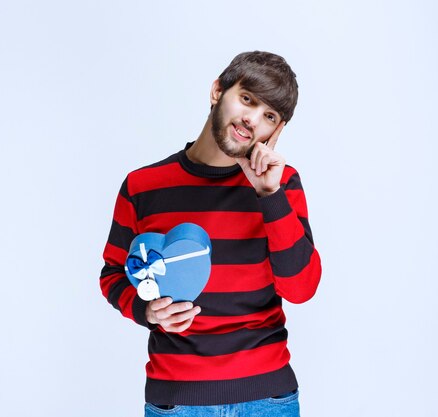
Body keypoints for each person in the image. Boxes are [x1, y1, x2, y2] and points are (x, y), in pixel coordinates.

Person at [99, 51, 322, 417]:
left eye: (269, 116)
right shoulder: (143, 186)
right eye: (247, 99)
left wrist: (269, 196)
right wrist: (147, 311)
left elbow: (301, 289)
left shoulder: (282, 186)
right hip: (176, 401)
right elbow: (112, 275)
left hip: (268, 399)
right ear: (217, 91)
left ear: (276, 131)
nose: (251, 120)